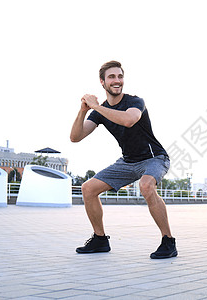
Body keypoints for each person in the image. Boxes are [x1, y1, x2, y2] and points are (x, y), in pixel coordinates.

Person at [70, 60, 177, 259]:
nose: (117, 80)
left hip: (154, 158)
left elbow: (129, 120)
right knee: (88, 189)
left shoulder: (135, 102)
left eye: (120, 76)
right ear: (102, 82)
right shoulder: (99, 111)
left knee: (146, 186)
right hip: (128, 162)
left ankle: (168, 241)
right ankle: (100, 239)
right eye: (111, 77)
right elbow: (75, 137)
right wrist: (84, 110)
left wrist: (96, 106)